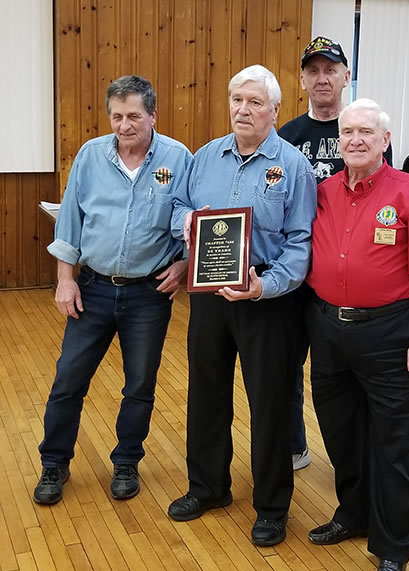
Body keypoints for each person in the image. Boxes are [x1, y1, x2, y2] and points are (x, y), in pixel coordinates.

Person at [305, 98, 409, 571]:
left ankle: (393, 548)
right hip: (327, 330)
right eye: (348, 132)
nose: (356, 140)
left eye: (367, 131)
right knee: (342, 433)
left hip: (391, 334)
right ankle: (354, 514)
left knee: (395, 445)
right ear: (338, 140)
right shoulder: (322, 191)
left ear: (385, 140)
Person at [167, 65, 317, 546]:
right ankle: (208, 487)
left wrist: (265, 285)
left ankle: (272, 507)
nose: (243, 109)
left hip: (268, 303)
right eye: (237, 99)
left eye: (255, 102)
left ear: (275, 110)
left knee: (270, 404)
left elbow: (300, 242)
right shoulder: (206, 157)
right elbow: (177, 209)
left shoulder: (293, 166)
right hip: (210, 298)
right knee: (206, 394)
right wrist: (188, 220)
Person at [33, 75, 192, 505]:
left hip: (148, 295)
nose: (124, 125)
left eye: (134, 116)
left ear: (153, 116)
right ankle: (54, 463)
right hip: (93, 288)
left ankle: (126, 461)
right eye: (117, 116)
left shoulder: (179, 159)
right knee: (68, 380)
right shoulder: (89, 156)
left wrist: (183, 265)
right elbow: (70, 222)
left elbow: (190, 221)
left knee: (139, 384)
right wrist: (65, 279)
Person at [279, 36, 393, 471]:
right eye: (314, 70)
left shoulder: (366, 132)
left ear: (347, 76)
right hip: (294, 276)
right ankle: (293, 445)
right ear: (304, 79)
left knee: (348, 376)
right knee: (289, 366)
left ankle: (358, 459)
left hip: (347, 286)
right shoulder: (287, 136)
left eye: (331, 70)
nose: (322, 78)